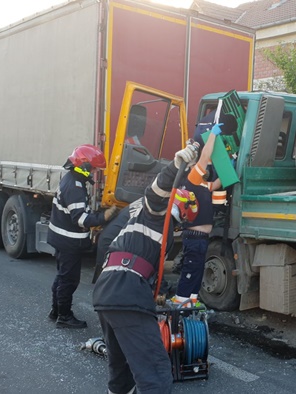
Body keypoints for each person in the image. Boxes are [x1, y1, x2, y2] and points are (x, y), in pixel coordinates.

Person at [92, 143, 199, 394]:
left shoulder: (139, 219)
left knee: (122, 371)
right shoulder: (156, 215)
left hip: (108, 291)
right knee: (156, 374)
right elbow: (156, 193)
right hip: (126, 291)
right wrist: (175, 166)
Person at [47, 144, 118, 328]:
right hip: (68, 242)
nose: (94, 172)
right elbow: (80, 219)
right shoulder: (75, 186)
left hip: (61, 239)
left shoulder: (72, 179)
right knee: (69, 279)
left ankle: (56, 311)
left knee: (62, 276)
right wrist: (104, 217)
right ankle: (64, 316)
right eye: (93, 169)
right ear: (84, 166)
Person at [171, 113, 237, 305]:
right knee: (190, 272)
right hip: (193, 238)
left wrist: (229, 167)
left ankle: (191, 301)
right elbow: (205, 156)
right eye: (202, 165)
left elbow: (215, 185)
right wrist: (213, 135)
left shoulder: (201, 185)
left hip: (200, 239)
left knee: (196, 271)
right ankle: (180, 303)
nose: (206, 165)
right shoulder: (192, 178)